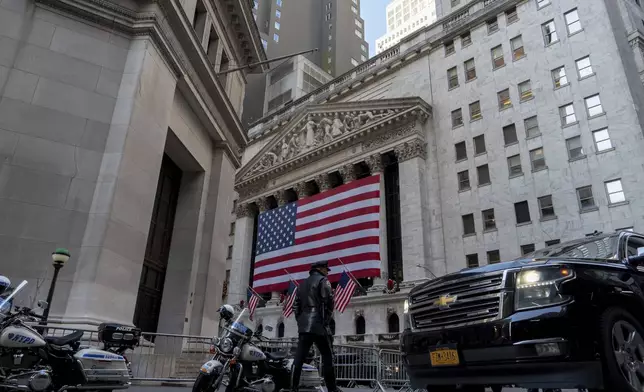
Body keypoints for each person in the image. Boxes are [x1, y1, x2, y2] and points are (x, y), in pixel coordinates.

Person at [291, 260, 339, 392]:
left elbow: (296, 306)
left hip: (305, 325)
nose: (327, 272)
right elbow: (329, 302)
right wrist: (325, 321)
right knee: (328, 357)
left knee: (299, 358)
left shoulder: (301, 285)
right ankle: (332, 389)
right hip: (318, 324)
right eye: (326, 269)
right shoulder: (323, 281)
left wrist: (301, 321)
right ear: (320, 269)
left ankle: (293, 387)